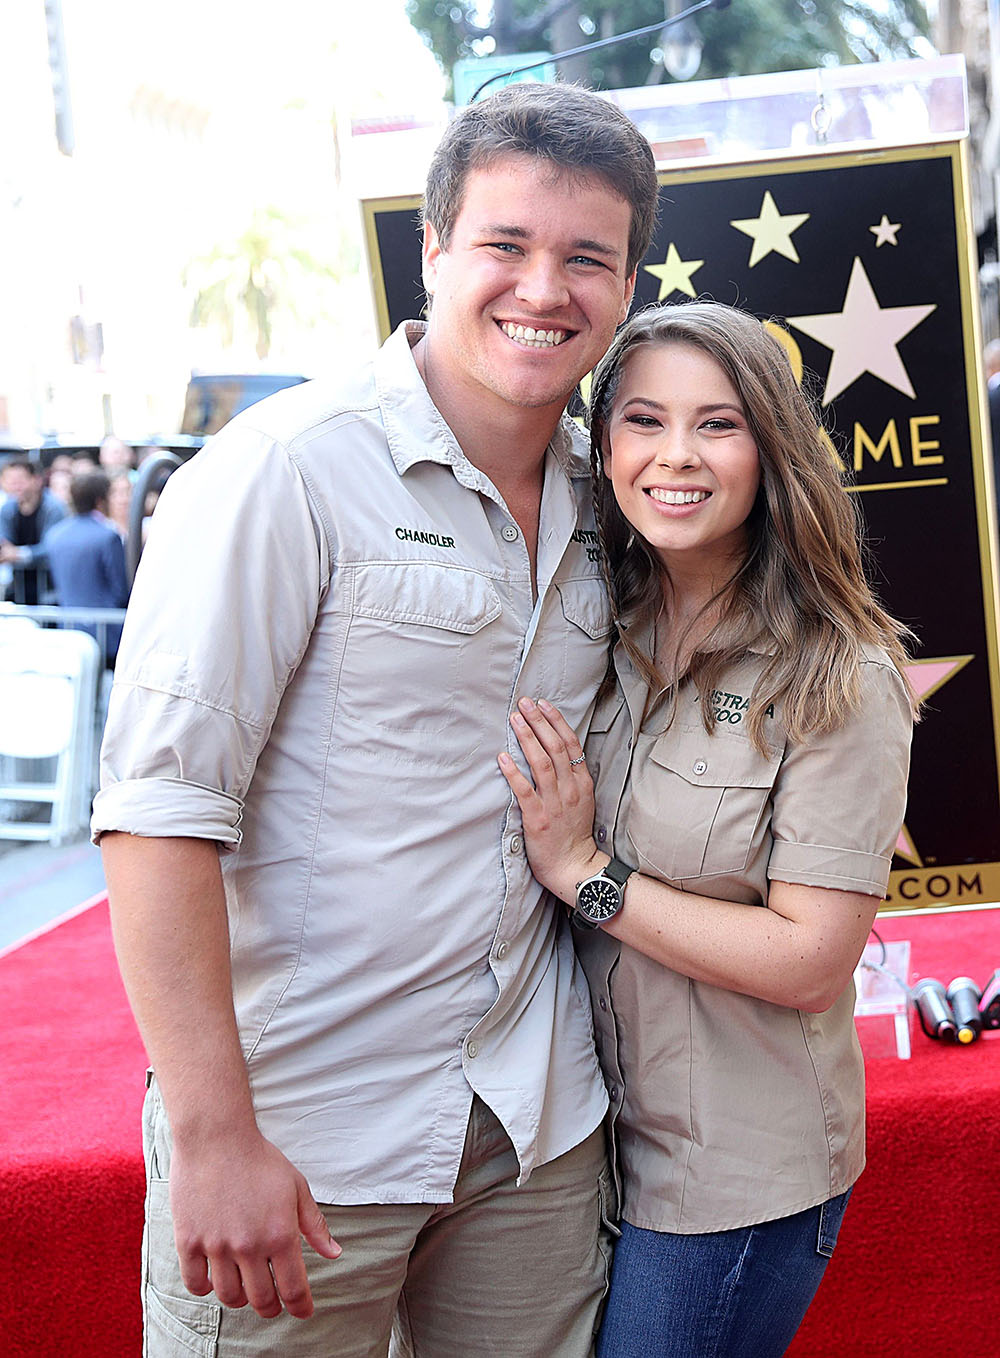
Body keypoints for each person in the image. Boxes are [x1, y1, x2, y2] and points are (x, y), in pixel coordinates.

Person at [92, 82, 659, 1357]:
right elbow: (157, 814)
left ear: (629, 283)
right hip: (302, 1129)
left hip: (534, 1127)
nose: (543, 287)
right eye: (507, 245)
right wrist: (215, 1135)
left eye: (587, 258)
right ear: (434, 250)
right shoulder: (282, 469)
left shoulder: (610, 492)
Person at [499, 301, 915, 1358]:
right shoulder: (598, 619)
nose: (673, 455)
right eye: (642, 420)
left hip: (732, 1178)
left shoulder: (837, 673)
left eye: (716, 424)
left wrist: (585, 870)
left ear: (770, 447)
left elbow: (810, 959)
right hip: (587, 1143)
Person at [44, 469, 130, 665]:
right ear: (101, 500)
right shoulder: (107, 536)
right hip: (108, 633)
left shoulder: (55, 534)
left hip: (69, 630)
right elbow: (120, 589)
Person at [0, 457, 67, 603]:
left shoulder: (54, 508)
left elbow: (51, 547)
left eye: (19, 480)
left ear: (36, 480)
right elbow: (4, 541)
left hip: (50, 586)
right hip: (18, 586)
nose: (15, 486)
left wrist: (20, 554)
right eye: (9, 480)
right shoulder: (7, 509)